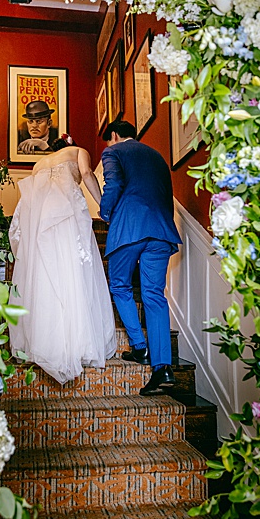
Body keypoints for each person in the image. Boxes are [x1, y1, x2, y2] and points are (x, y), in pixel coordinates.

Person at [6, 141, 117, 383]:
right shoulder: (79, 151)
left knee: (45, 275)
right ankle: (74, 341)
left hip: (40, 221)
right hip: (66, 215)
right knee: (73, 274)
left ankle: (43, 341)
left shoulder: (38, 163)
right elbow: (87, 173)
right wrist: (104, 206)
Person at [99, 119, 183, 397]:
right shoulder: (157, 155)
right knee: (154, 296)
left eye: (108, 139)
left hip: (128, 228)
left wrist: (106, 213)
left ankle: (139, 346)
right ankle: (163, 368)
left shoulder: (113, 152)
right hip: (161, 231)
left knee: (120, 286)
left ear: (113, 135)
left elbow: (113, 184)